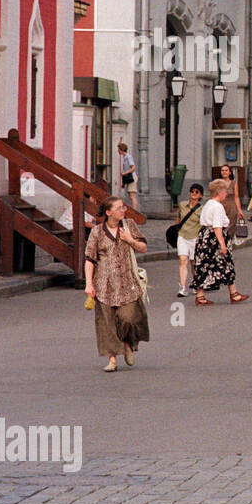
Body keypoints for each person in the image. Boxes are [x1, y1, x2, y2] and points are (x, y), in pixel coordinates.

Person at [84, 196, 150, 372]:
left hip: (127, 283)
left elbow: (143, 247)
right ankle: (112, 358)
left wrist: (130, 240)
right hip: (104, 284)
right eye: (119, 208)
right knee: (106, 322)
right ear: (108, 212)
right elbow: (90, 259)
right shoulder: (97, 232)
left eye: (124, 207)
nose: (123, 210)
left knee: (129, 317)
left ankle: (128, 344)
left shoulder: (129, 226)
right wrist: (89, 284)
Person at [190, 178, 249, 305]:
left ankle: (201, 296)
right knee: (226, 264)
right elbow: (217, 227)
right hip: (214, 238)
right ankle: (233, 294)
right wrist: (222, 244)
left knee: (203, 265)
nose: (226, 194)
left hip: (204, 236)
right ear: (219, 192)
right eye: (225, 192)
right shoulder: (217, 207)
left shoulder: (208, 204)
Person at [174, 183, 204, 297]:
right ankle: (182, 287)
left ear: (200, 195)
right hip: (182, 236)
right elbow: (179, 218)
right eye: (192, 191)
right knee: (183, 260)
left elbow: (202, 224)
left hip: (195, 238)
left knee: (193, 263)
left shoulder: (202, 209)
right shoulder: (182, 205)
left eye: (197, 192)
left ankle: (195, 283)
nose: (194, 193)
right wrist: (175, 230)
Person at [215, 164, 244, 231]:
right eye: (222, 170)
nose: (224, 172)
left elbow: (236, 197)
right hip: (221, 206)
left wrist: (239, 210)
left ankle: (229, 239)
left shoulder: (234, 183)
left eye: (226, 170)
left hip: (231, 207)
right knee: (220, 225)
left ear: (230, 172)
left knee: (231, 226)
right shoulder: (218, 183)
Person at [116, 142, 140, 211]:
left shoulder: (128, 157)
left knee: (132, 195)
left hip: (131, 177)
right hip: (129, 177)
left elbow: (133, 167)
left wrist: (124, 173)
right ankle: (134, 210)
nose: (118, 151)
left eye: (118, 150)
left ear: (121, 150)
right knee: (131, 194)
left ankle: (135, 211)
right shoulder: (125, 157)